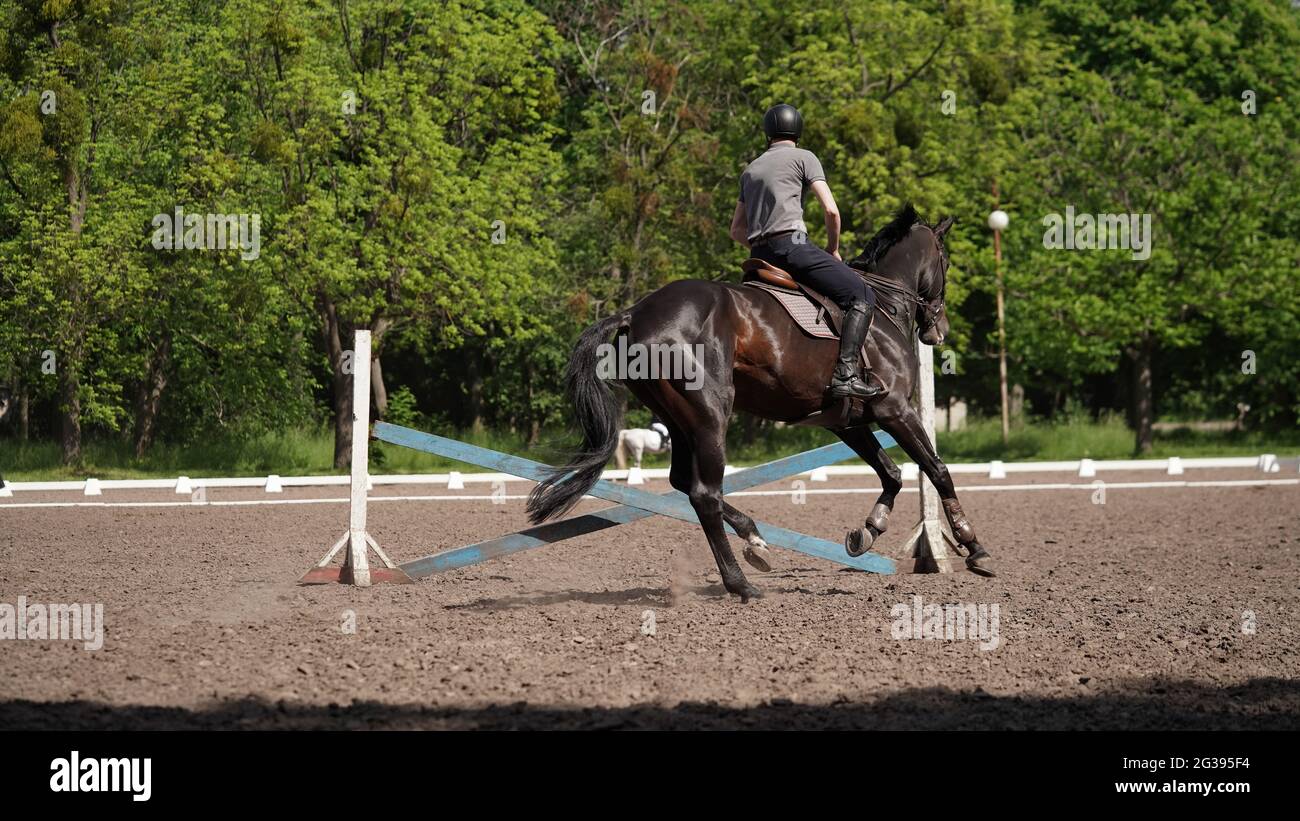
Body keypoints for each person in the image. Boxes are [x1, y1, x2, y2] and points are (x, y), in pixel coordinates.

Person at [730, 103, 883, 399]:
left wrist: (763, 245)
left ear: (768, 133)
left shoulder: (751, 169)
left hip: (759, 255)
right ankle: (846, 374)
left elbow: (736, 230)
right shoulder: (804, 157)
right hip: (793, 246)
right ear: (797, 130)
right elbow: (831, 211)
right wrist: (832, 248)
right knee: (861, 294)